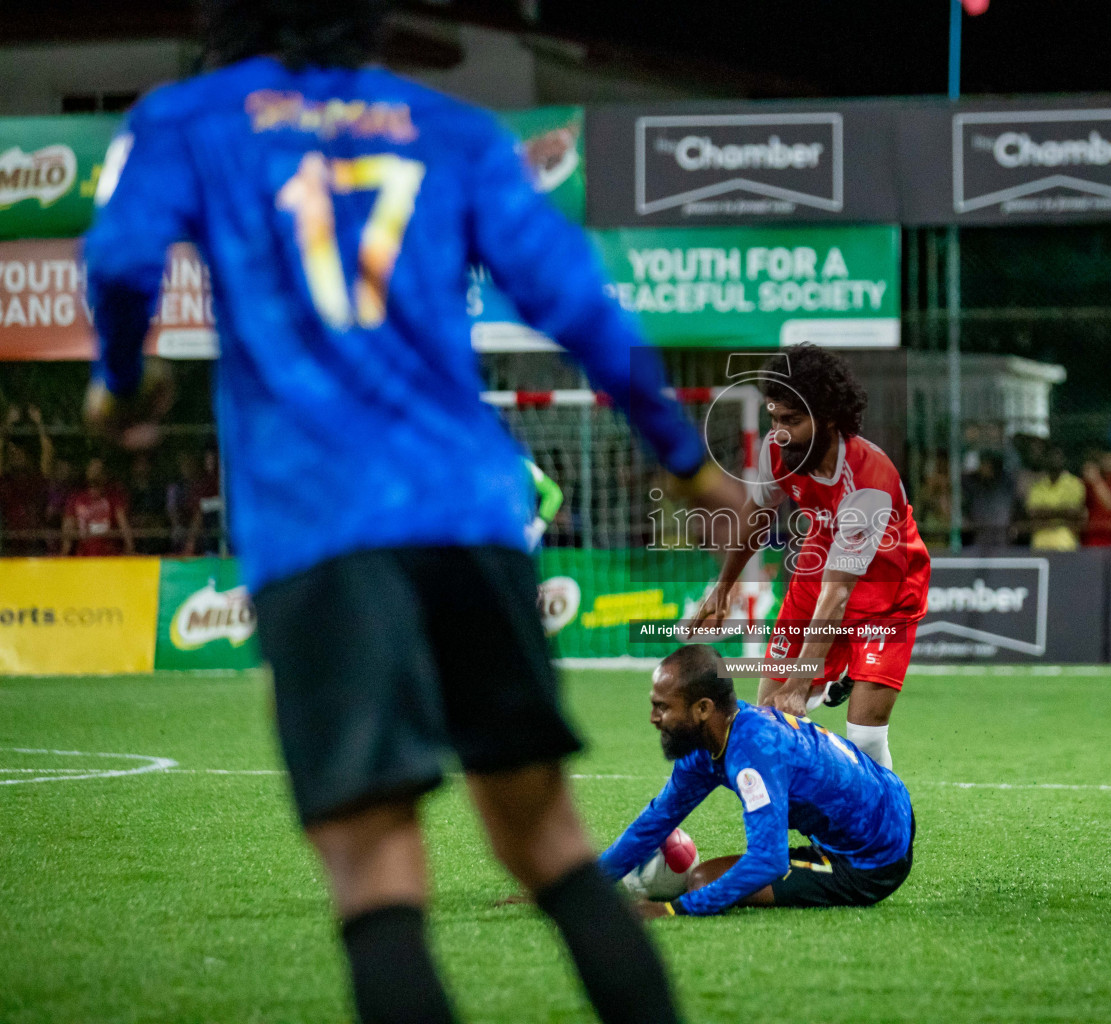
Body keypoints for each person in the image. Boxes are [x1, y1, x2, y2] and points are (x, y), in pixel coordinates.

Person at [81, 4, 743, 1021]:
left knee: (375, 864)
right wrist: (681, 458)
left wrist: (122, 383)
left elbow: (122, 262)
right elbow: (577, 299)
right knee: (551, 842)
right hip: (470, 519)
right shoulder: (452, 129)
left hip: (323, 530)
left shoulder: (189, 120)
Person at [690, 343, 928, 771]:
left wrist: (801, 683)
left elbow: (837, 595)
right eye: (774, 418)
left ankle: (885, 834)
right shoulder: (777, 450)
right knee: (768, 719)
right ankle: (796, 824)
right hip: (818, 565)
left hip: (887, 589)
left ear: (829, 418)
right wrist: (722, 588)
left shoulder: (869, 482)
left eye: (792, 421)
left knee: (865, 739)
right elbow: (759, 515)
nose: (780, 432)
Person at [600, 646, 915, 917]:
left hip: (875, 859)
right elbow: (655, 821)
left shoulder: (755, 754)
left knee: (703, 882)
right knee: (708, 878)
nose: (654, 718)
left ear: (703, 709)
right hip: (890, 802)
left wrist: (674, 909)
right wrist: (585, 886)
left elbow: (769, 860)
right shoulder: (708, 745)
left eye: (662, 707)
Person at [0, 404, 54, 555]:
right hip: (11, 544)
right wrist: (8, 424)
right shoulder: (6, 482)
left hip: (35, 544)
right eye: (11, 453)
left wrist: (39, 423)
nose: (14, 455)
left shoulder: (35, 480)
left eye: (18, 452)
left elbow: (48, 452)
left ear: (28, 455)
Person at [61, 457, 134, 556]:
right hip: (84, 557)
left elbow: (123, 524)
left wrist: (129, 548)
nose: (95, 473)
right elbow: (68, 528)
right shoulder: (75, 498)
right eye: (93, 469)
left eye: (99, 470)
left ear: (104, 474)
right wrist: (64, 553)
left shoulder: (113, 497)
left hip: (109, 557)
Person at [1024, 446, 1086, 550]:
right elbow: (1032, 513)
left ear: (1065, 460)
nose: (1054, 459)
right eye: (1051, 456)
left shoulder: (1075, 483)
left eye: (1058, 456)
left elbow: (1074, 512)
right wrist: (1061, 512)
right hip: (1040, 537)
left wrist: (1045, 512)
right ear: (1045, 460)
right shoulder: (1037, 486)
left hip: (1065, 536)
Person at [524, 457, 564, 547]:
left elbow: (554, 494)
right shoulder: (522, 463)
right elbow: (554, 494)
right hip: (518, 537)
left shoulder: (522, 464)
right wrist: (537, 528)